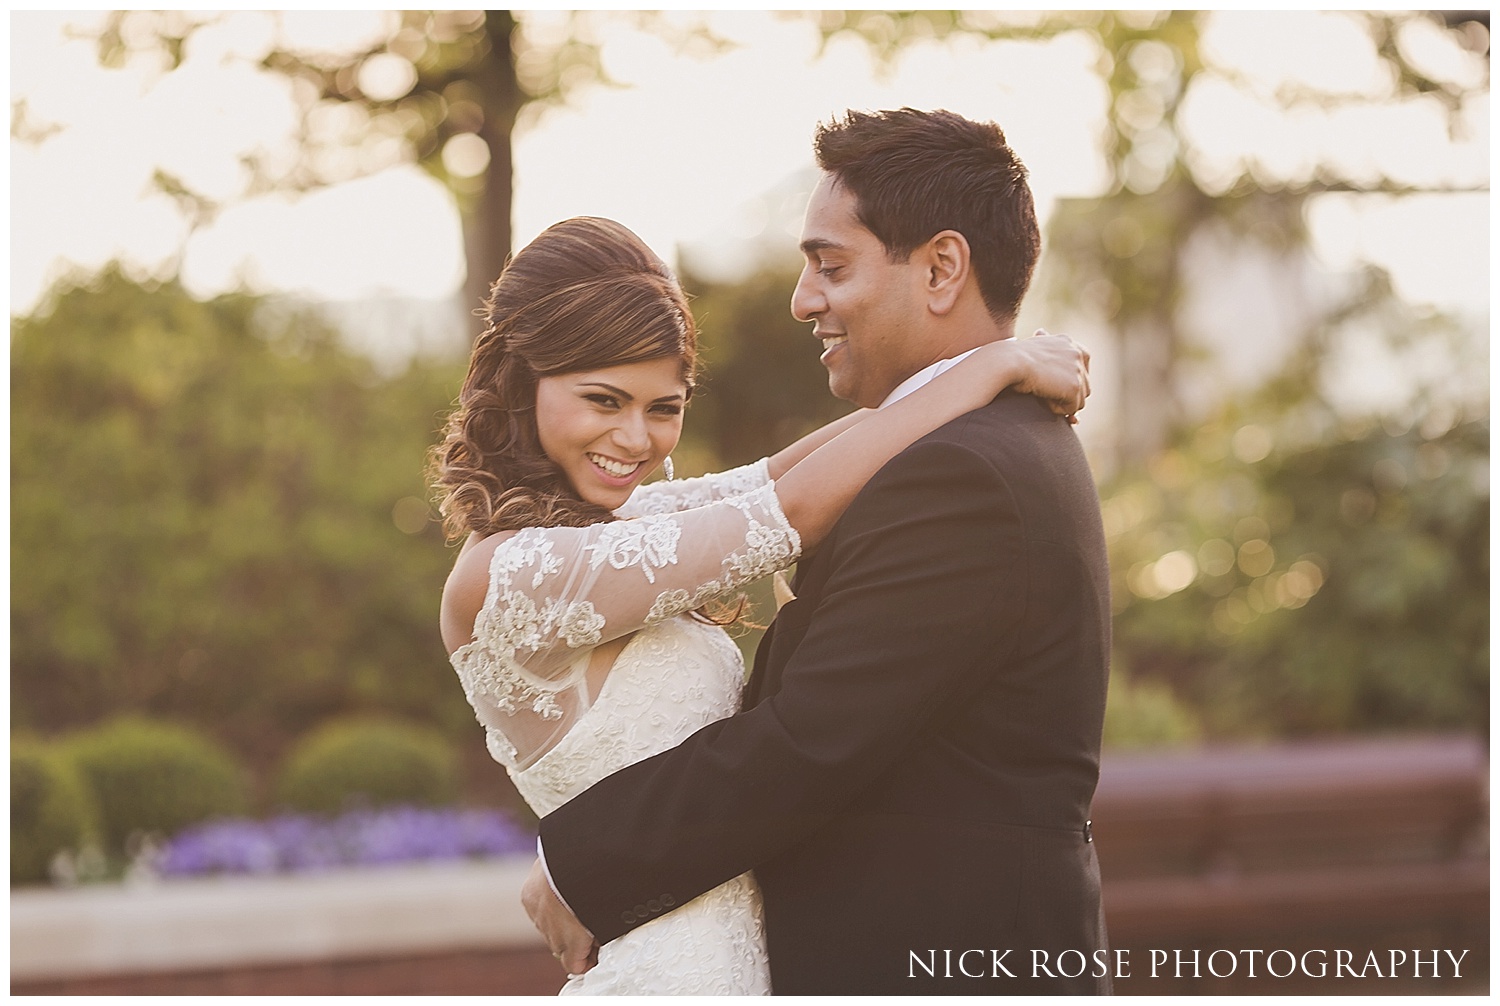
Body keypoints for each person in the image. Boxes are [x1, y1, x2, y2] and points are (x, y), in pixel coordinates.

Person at [523, 109, 1114, 994]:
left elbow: (809, 740)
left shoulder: (966, 473)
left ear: (942, 267)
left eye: (830, 268)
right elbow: (775, 492)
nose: (804, 300)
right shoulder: (980, 438)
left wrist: (582, 862)